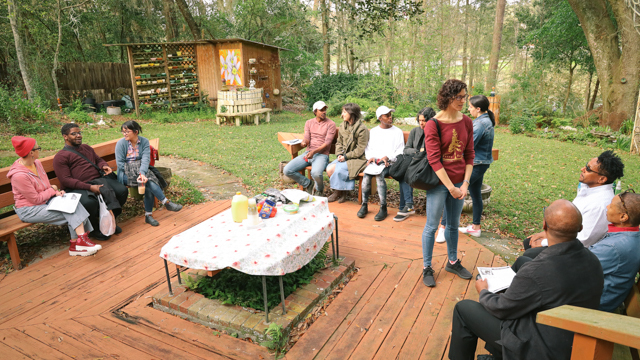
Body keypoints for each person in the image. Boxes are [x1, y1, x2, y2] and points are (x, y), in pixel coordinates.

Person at [449, 200, 604, 360]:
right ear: (580, 228)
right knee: (523, 263)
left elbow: (502, 309)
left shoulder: (538, 270)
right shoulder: (593, 261)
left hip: (542, 347)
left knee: (464, 309)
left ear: (544, 226)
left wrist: (484, 292)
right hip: (572, 336)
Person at [8, 136, 101, 256]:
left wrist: (56, 193)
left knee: (73, 204)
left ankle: (77, 243)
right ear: (31, 152)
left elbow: (46, 185)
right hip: (29, 209)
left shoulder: (37, 163)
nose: (39, 150)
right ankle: (78, 243)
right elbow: (35, 199)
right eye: (38, 148)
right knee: (71, 211)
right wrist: (53, 190)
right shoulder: (19, 176)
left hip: (47, 201)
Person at [421, 79, 475, 287]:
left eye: (464, 96)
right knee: (432, 226)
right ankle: (427, 267)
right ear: (448, 97)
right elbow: (434, 159)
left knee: (453, 225)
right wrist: (450, 187)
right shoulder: (433, 124)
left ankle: (452, 262)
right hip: (438, 183)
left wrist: (465, 184)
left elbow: (469, 154)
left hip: (460, 182)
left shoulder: (467, 122)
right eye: (459, 96)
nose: (463, 100)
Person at [522, 150, 624, 259]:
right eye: (586, 166)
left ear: (602, 179)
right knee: (528, 242)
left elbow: (582, 241)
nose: (582, 169)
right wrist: (546, 233)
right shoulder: (589, 189)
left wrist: (544, 242)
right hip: (565, 241)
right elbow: (568, 224)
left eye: (588, 169)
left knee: (529, 255)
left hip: (574, 254)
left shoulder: (600, 205)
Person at [53, 123, 128, 240]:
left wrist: (104, 166)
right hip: (78, 187)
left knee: (121, 191)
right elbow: (65, 180)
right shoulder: (61, 156)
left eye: (79, 133)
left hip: (98, 179)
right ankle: (94, 228)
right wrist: (89, 187)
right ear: (65, 136)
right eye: (74, 134)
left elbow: (98, 159)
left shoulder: (86, 148)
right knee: (89, 203)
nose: (78, 135)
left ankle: (109, 220)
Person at [436, 95, 495, 241]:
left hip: (476, 164)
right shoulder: (485, 120)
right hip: (482, 163)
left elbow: (468, 145)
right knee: (475, 194)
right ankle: (476, 228)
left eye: (470, 107)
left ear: (478, 109)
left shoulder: (480, 124)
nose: (468, 109)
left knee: (455, 192)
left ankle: (443, 228)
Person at [115, 121, 182, 226]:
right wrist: (139, 170)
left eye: (127, 131)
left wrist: (142, 173)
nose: (125, 134)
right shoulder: (121, 144)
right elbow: (120, 164)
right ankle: (165, 203)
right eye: (123, 132)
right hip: (125, 174)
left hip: (141, 171)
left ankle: (149, 215)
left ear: (136, 132)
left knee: (147, 182)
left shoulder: (144, 142)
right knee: (148, 182)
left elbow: (146, 160)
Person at [589, 190, 640, 312]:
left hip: (594, 306)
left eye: (611, 205)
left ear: (623, 217)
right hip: (605, 299)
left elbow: (578, 268)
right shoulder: (633, 236)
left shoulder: (613, 247)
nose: (607, 207)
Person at [356, 106, 405, 221]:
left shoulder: (397, 132)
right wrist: (371, 157)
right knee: (366, 176)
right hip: (375, 163)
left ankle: (383, 207)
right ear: (380, 118)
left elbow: (400, 150)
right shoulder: (373, 132)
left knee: (379, 176)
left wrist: (388, 157)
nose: (390, 117)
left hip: (390, 163)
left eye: (390, 115)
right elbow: (368, 148)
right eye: (387, 116)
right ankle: (364, 205)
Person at [283, 101, 337, 196]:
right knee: (287, 170)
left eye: (325, 109)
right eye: (321, 110)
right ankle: (308, 184)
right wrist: (304, 142)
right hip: (308, 153)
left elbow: (327, 143)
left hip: (322, 155)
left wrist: (314, 152)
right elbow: (307, 138)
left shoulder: (331, 124)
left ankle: (320, 190)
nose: (324, 112)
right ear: (315, 111)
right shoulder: (309, 123)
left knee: (316, 173)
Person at [393, 107, 436, 222]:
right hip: (414, 162)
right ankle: (407, 205)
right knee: (404, 172)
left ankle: (406, 206)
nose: (421, 123)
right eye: (420, 120)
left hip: (427, 165)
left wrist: (422, 154)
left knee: (407, 172)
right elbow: (406, 149)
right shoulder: (415, 131)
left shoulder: (435, 132)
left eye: (424, 120)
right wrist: (418, 153)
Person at [326, 103, 369, 203]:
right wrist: (339, 155)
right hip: (344, 157)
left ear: (351, 113)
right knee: (329, 169)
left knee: (336, 169)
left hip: (358, 159)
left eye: (344, 112)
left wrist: (346, 156)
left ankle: (338, 192)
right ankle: (342, 192)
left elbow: (360, 150)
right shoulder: (342, 126)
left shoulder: (362, 129)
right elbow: (339, 142)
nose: (342, 114)